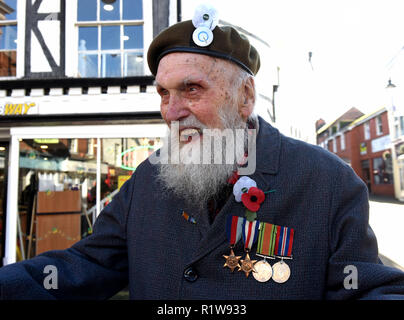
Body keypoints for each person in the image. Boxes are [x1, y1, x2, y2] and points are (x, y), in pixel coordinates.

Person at [1, 5, 404, 300]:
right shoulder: (147, 179)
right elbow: (85, 266)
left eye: (192, 89)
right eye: (163, 93)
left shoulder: (329, 183)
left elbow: (368, 288)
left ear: (245, 97)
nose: (172, 112)